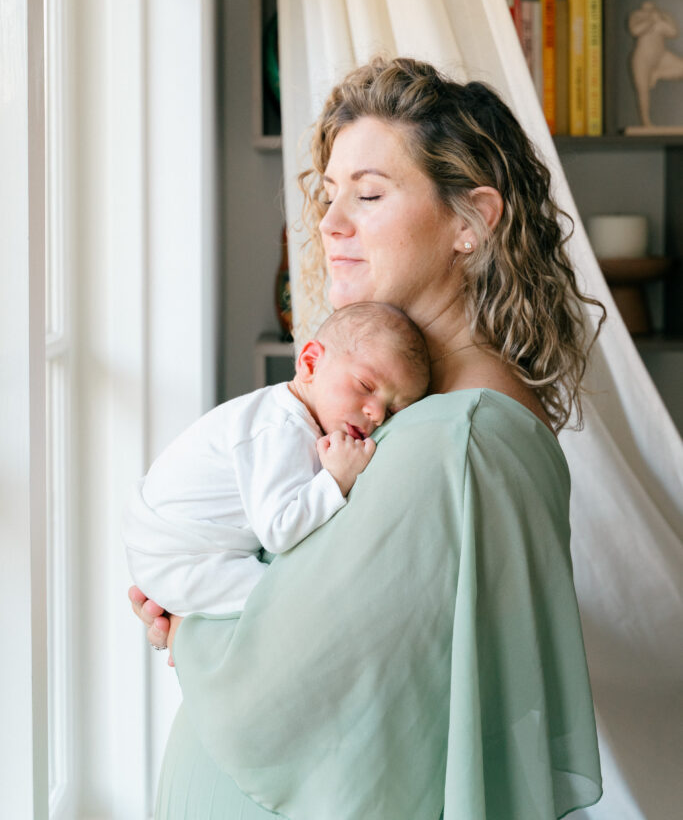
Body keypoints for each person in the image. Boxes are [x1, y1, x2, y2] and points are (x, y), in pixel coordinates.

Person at [131, 56, 604, 819]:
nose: (329, 223)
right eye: (328, 196)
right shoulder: (425, 413)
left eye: (369, 195)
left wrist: (190, 623)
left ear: (470, 222)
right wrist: (200, 574)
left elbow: (287, 677)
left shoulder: (457, 436)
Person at [123, 301, 430, 619]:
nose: (376, 414)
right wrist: (337, 479)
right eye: (366, 386)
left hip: (178, 548)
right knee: (291, 599)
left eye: (393, 410)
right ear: (310, 364)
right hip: (179, 556)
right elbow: (279, 529)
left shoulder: (293, 418)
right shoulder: (281, 428)